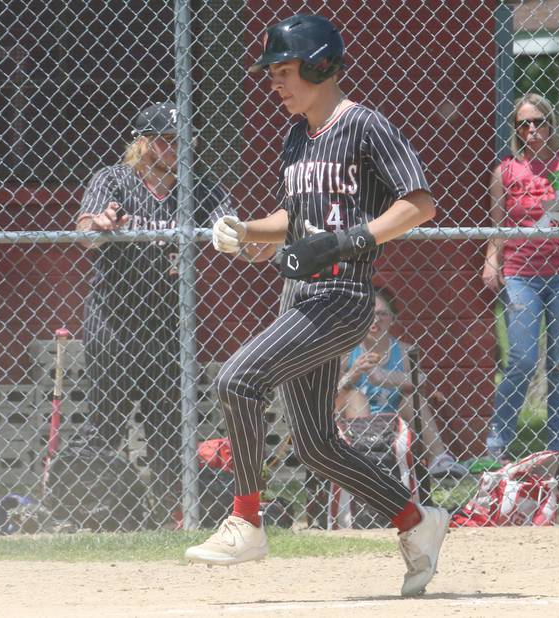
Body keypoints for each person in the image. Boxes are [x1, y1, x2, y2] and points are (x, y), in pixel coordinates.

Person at [184, 14, 449, 597]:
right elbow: (296, 222)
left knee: (237, 378)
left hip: (343, 298)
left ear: (321, 65)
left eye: (284, 72)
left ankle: (247, 519)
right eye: (272, 74)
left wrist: (353, 239)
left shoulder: (364, 126)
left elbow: (421, 204)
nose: (274, 84)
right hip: (299, 299)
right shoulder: (298, 134)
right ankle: (416, 522)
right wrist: (248, 230)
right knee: (317, 446)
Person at [75, 101, 233, 522]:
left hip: (169, 324)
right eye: (166, 141)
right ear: (142, 143)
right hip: (113, 320)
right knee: (105, 423)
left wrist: (244, 234)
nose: (177, 149)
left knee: (168, 428)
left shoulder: (199, 184)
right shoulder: (114, 179)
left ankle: (170, 518)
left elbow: (228, 227)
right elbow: (86, 232)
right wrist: (102, 224)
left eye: (183, 141)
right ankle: (94, 513)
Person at [481, 92, 559, 462]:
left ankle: (557, 448)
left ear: (551, 123)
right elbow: (497, 226)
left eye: (539, 122)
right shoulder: (505, 171)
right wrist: (491, 259)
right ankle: (498, 446)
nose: (532, 130)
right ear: (516, 130)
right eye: (524, 124)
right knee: (520, 359)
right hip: (522, 274)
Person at [336, 286, 468, 478]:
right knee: (355, 396)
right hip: (354, 421)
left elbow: (420, 381)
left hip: (392, 417)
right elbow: (331, 392)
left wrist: (383, 376)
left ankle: (439, 458)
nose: (376, 320)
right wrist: (354, 373)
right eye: (369, 314)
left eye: (382, 314)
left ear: (392, 318)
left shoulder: (404, 351)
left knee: (411, 397)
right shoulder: (347, 351)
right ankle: (365, 461)